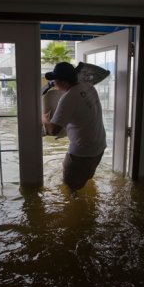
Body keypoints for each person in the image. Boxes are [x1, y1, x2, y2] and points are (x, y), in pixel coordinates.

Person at [42, 62, 106, 192]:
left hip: (81, 154)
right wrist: (53, 85)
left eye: (56, 80)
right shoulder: (88, 86)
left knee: (70, 189)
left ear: (64, 82)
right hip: (99, 148)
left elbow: (53, 130)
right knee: (85, 179)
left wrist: (44, 118)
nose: (54, 82)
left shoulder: (68, 98)